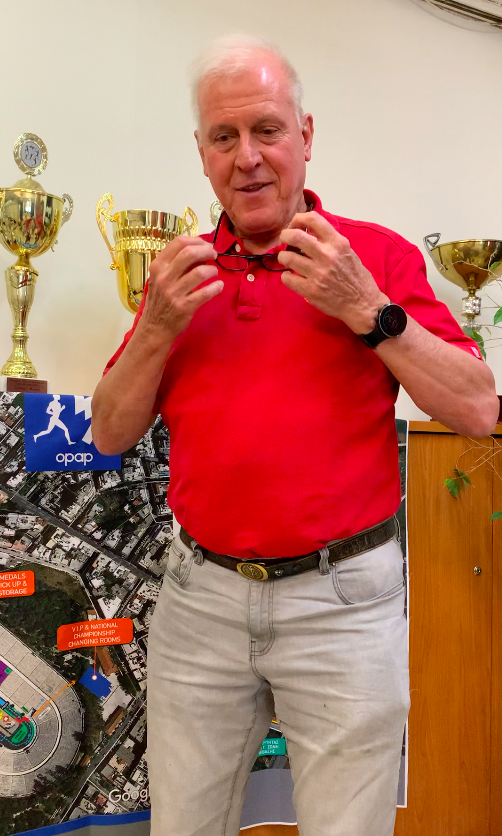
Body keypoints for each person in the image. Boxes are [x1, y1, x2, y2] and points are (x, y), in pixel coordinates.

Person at [92, 35, 499, 836]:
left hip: (343, 603)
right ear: (203, 154)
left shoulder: (372, 258)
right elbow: (109, 432)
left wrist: (367, 310)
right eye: (224, 136)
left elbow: (477, 408)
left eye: (267, 130)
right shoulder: (177, 274)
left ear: (305, 136)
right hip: (201, 601)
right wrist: (157, 327)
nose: (247, 157)